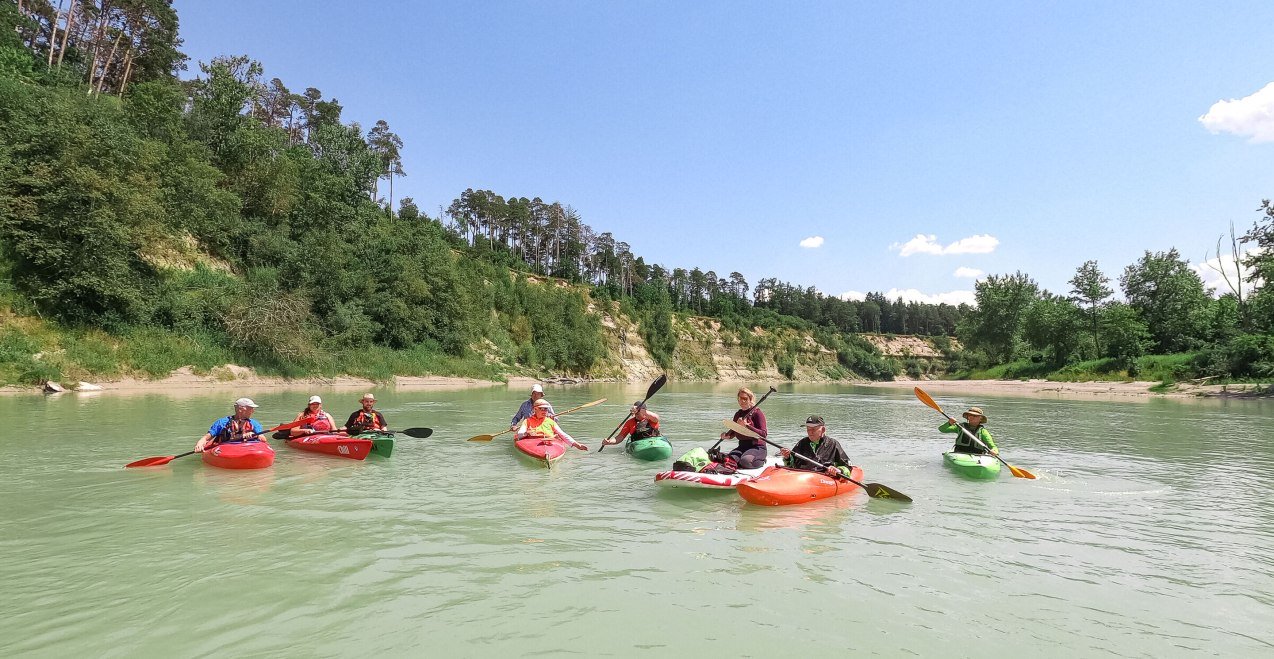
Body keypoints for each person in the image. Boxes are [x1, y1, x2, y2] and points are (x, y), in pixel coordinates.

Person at [706, 387, 768, 472]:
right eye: (740, 399)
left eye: (745, 399)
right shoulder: (738, 414)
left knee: (745, 461)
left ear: (750, 399)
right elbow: (734, 431)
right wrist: (727, 436)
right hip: (742, 447)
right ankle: (739, 461)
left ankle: (761, 461)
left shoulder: (757, 413)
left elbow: (763, 434)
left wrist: (747, 426)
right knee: (727, 460)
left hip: (757, 447)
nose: (742, 401)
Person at [781, 415, 853, 479]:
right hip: (802, 478)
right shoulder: (802, 443)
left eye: (813, 429)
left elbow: (847, 466)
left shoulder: (833, 444)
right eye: (808, 429)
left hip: (823, 478)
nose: (810, 432)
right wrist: (787, 457)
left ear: (823, 430)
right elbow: (791, 464)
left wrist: (839, 470)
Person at [195, 398, 267, 452]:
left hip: (247, 448)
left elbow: (263, 439)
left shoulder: (254, 423)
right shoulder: (222, 422)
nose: (253, 411)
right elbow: (206, 437)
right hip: (226, 448)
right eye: (250, 408)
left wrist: (255, 435)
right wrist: (200, 444)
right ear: (240, 409)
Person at [515, 398, 587, 451]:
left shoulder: (551, 421)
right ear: (535, 409)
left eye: (546, 409)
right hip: (533, 442)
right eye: (541, 408)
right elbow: (519, 434)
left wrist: (577, 444)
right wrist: (526, 433)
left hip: (550, 441)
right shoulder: (527, 421)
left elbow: (562, 434)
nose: (544, 411)